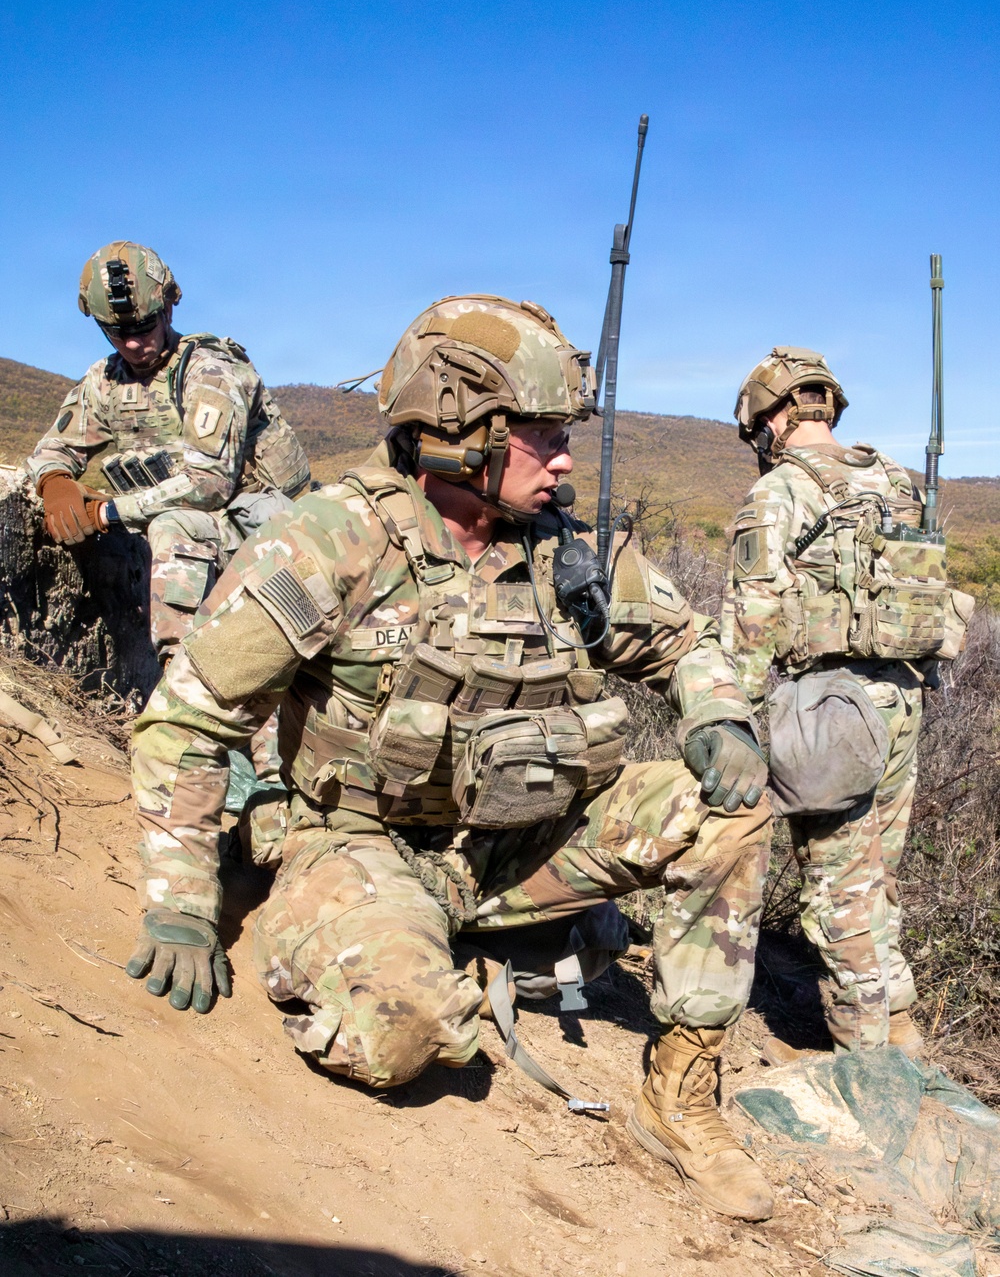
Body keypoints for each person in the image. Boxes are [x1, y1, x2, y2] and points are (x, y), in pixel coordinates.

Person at [127, 295, 775, 1221]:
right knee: (406, 1033)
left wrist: (718, 714)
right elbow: (190, 720)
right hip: (359, 839)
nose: (562, 456)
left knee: (731, 805)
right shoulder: (337, 539)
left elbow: (684, 641)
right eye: (540, 432)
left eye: (564, 433)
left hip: (516, 850)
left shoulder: (565, 555)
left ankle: (681, 1092)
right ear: (457, 428)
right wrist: (181, 905)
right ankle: (371, 934)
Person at [722, 346, 971, 1060]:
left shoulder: (778, 495)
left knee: (838, 886)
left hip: (830, 707)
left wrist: (728, 716)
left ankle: (870, 1062)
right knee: (877, 875)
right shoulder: (896, 480)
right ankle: (898, 1022)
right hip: (903, 698)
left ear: (771, 415)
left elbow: (750, 622)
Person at [26, 239, 311, 859]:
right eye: (116, 331)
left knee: (174, 528)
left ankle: (195, 695)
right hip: (205, 524)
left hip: (271, 523)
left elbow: (209, 485)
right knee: (172, 526)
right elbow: (53, 449)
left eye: (144, 326)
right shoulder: (107, 382)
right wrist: (54, 485)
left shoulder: (209, 369)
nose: (133, 343)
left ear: (171, 305)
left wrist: (105, 509)